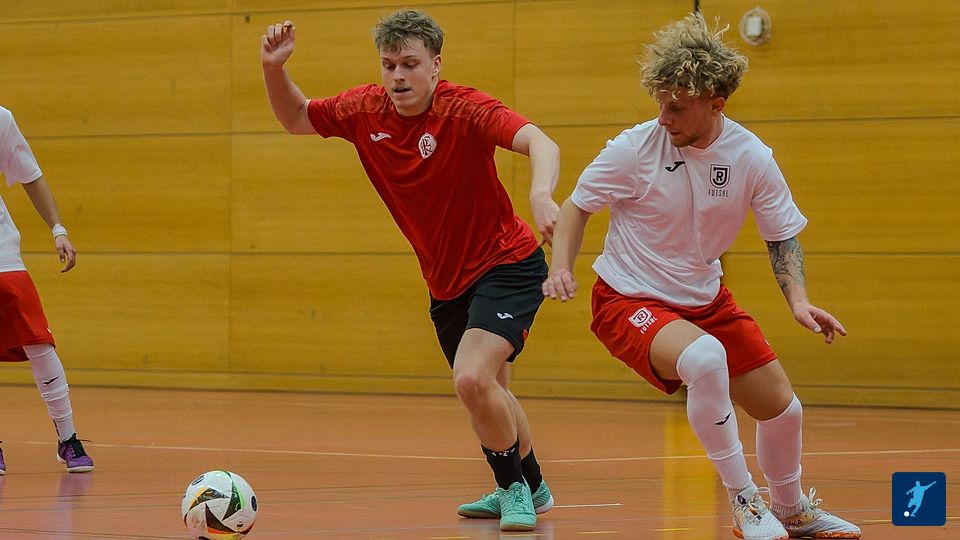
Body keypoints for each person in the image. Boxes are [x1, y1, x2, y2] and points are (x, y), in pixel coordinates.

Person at [542, 13, 860, 540]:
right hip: (627, 298)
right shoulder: (634, 148)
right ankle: (744, 502)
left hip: (704, 299)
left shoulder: (751, 157)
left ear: (717, 102)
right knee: (706, 359)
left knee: (783, 410)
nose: (664, 117)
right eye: (659, 103)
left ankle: (790, 509)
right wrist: (561, 267)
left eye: (677, 107)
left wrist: (799, 301)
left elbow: (781, 235)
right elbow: (577, 206)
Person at [261, 9, 558, 531]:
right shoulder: (363, 110)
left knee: (472, 379)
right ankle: (532, 486)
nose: (398, 76)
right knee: (489, 392)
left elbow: (541, 141)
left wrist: (539, 193)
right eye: (389, 64)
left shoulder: (463, 108)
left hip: (506, 262)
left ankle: (513, 489)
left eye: (410, 64)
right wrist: (273, 68)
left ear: (435, 65)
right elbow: (296, 118)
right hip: (446, 282)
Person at [0, 105, 94, 474]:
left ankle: (68, 438)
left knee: (39, 342)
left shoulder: (1, 119)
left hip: (3, 253)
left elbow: (31, 175)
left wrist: (58, 229)